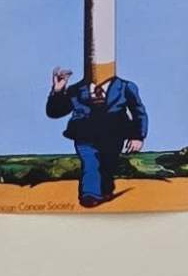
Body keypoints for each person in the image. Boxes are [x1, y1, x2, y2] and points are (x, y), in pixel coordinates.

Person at [45, 67, 149, 207]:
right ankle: (90, 194)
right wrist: (58, 90)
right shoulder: (76, 89)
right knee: (90, 162)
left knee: (108, 165)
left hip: (114, 136)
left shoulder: (125, 87)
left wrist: (138, 136)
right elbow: (54, 112)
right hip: (84, 135)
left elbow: (138, 112)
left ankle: (105, 190)